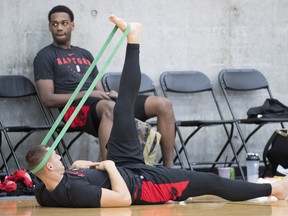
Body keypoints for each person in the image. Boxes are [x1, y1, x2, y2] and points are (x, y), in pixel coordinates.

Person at [26, 14, 288, 208]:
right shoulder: (72, 192)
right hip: (143, 182)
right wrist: (107, 165)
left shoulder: (44, 189)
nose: (61, 157)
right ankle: (273, 187)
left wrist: (85, 165)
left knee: (124, 106)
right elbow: (124, 199)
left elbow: (52, 176)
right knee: (210, 183)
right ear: (50, 166)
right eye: (56, 156)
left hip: (121, 163)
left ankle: (133, 37)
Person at [33, 5, 175, 167]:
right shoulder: (44, 56)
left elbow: (99, 90)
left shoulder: (85, 54)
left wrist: (108, 93)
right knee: (109, 107)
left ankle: (168, 168)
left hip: (100, 104)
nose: (59, 27)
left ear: (72, 25)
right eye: (55, 23)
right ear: (49, 26)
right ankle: (106, 168)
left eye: (64, 23)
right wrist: (88, 94)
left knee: (163, 104)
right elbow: (47, 99)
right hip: (73, 109)